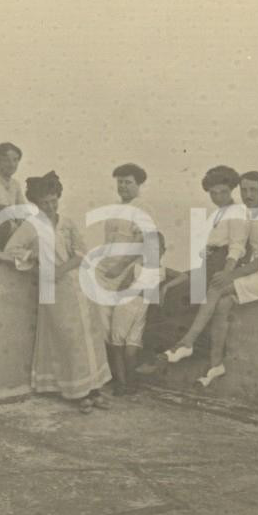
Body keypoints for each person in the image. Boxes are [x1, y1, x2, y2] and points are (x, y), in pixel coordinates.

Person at [160, 171, 258, 386]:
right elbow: (242, 247)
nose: (248, 194)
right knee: (222, 304)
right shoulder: (249, 215)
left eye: (253, 189)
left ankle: (187, 342)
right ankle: (216, 365)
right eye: (244, 190)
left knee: (216, 288)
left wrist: (230, 274)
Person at [3, 171, 113, 414]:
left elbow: (82, 253)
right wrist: (34, 257)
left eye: (54, 200)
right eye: (45, 203)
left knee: (89, 337)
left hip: (78, 284)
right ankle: (78, 392)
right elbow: (11, 249)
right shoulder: (32, 226)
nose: (51, 206)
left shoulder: (68, 223)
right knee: (69, 338)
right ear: (36, 203)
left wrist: (61, 270)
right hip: (54, 291)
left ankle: (94, 389)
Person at [148, 165, 249, 363]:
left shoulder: (237, 212)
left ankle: (183, 348)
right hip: (209, 263)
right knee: (169, 288)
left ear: (232, 190)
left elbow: (236, 247)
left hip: (223, 264)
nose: (218, 197)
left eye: (223, 192)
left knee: (184, 295)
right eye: (213, 193)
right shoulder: (219, 213)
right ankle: (168, 348)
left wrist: (227, 274)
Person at [94, 163, 157, 394]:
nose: (123, 186)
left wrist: (121, 267)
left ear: (139, 184)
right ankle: (108, 375)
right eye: (119, 182)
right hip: (105, 274)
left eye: (128, 182)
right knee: (103, 325)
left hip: (127, 275)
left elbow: (145, 244)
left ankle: (124, 381)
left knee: (121, 330)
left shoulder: (143, 209)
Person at [104, 232, 171, 394]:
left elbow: (183, 276)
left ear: (164, 250)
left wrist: (166, 288)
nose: (153, 252)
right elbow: (121, 288)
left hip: (142, 311)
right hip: (125, 306)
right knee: (118, 346)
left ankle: (130, 381)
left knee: (131, 350)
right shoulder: (137, 268)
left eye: (157, 248)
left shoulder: (162, 270)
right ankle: (122, 383)